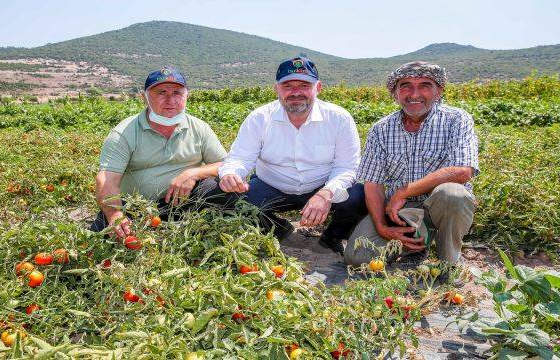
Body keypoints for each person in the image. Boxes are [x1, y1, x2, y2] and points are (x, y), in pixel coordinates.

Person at [218, 57, 367, 254]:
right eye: (287, 85)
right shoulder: (260, 118)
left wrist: (327, 193)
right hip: (272, 187)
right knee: (225, 195)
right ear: (276, 89)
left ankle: (333, 237)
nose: (296, 92)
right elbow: (240, 157)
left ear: (318, 87)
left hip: (321, 186)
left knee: (359, 195)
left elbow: (347, 167)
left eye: (304, 85)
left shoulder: (339, 118)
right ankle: (277, 229)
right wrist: (230, 174)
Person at [345, 61, 479, 267]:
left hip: (438, 206)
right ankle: (415, 246)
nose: (414, 93)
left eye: (425, 85)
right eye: (405, 85)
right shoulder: (381, 129)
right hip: (398, 212)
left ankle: (448, 262)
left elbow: (462, 171)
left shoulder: (456, 119)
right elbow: (373, 185)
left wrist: (403, 192)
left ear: (438, 91)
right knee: (358, 257)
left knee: (453, 194)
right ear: (395, 93)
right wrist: (382, 227)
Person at [91, 66, 227, 238]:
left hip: (185, 202)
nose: (170, 100)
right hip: (136, 208)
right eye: (162, 93)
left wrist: (194, 173)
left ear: (186, 96)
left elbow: (226, 164)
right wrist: (115, 215)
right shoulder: (124, 132)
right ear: (145, 98)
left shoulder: (199, 128)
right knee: (104, 238)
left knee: (222, 187)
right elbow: (107, 179)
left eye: (177, 93)